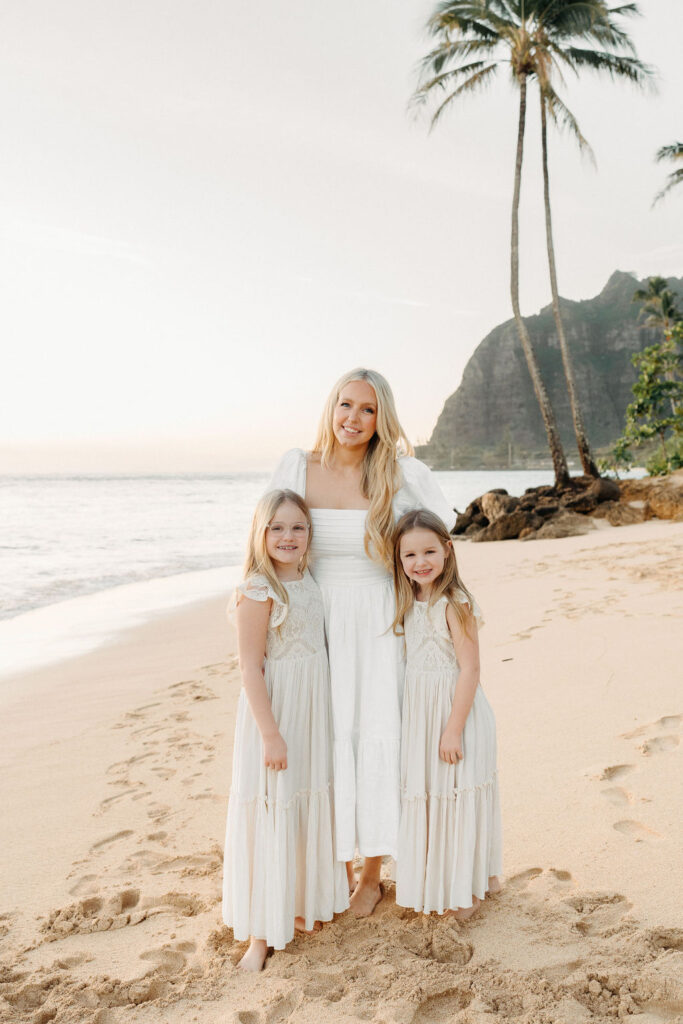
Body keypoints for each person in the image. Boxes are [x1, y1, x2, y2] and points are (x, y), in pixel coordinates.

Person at [269, 368, 453, 917]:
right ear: (331, 407)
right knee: (326, 739)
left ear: (382, 420)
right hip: (315, 617)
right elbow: (267, 536)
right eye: (345, 405)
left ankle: (372, 875)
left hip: (378, 621)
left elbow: (436, 546)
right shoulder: (297, 467)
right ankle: (336, 868)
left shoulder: (400, 474)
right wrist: (250, 597)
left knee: (376, 734)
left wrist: (438, 615)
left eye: (367, 410)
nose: (353, 418)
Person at [221, 489, 348, 971]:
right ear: (260, 533)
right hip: (276, 714)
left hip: (314, 710)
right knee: (272, 807)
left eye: (297, 527)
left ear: (309, 534)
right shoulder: (258, 588)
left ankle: (296, 904)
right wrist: (270, 734)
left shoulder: (310, 578)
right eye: (277, 527)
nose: (288, 536)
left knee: (305, 799)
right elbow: (250, 669)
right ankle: (258, 934)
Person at [391, 508, 502, 917]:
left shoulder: (455, 603)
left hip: (457, 713)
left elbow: (471, 668)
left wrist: (453, 729)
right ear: (398, 561)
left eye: (429, 552)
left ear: (448, 551)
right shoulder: (408, 599)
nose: (420, 563)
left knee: (458, 796)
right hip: (421, 714)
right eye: (409, 556)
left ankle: (470, 890)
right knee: (434, 797)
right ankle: (440, 877)